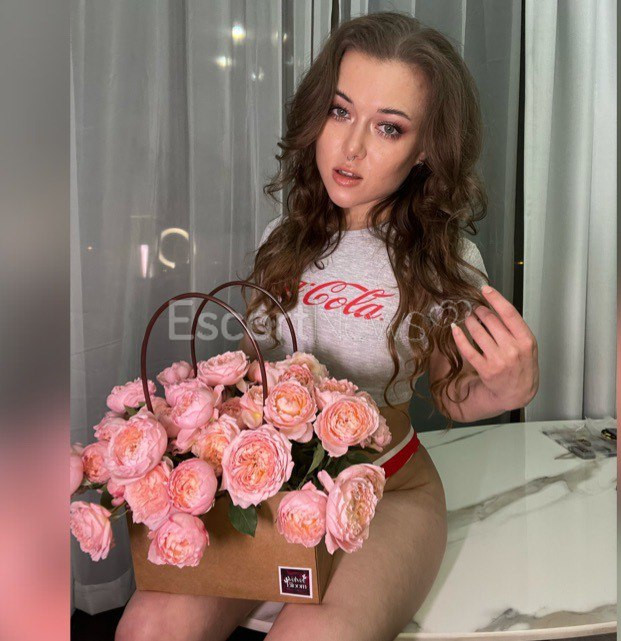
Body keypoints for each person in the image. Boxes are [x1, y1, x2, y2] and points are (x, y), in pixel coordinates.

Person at [116, 11, 539, 641]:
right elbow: (256, 379)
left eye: (389, 127)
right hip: (272, 490)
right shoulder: (280, 239)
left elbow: (453, 393)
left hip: (388, 494)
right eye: (341, 112)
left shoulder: (446, 260)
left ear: (425, 148)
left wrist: (504, 392)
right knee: (149, 626)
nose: (352, 147)